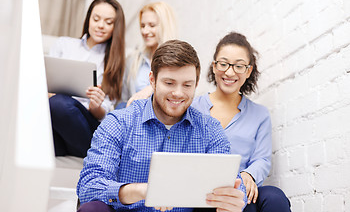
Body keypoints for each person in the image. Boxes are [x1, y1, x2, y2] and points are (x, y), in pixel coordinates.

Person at [77, 40, 247, 212]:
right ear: (152, 80)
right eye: (169, 83)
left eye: (187, 85)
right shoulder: (119, 123)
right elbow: (89, 186)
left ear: (196, 84)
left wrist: (232, 200)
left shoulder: (210, 129)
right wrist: (142, 190)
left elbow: (235, 185)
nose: (178, 93)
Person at [192, 32, 291, 212]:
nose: (229, 72)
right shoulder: (193, 108)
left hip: (242, 187)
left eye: (239, 66)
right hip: (204, 191)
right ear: (214, 66)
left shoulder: (259, 114)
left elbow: (261, 159)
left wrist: (249, 174)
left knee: (275, 197)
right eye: (223, 64)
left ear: (248, 71)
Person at [49, 0, 126, 158]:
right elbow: (44, 82)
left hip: (86, 126)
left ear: (116, 27)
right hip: (56, 119)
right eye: (96, 19)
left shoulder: (115, 62)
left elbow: (102, 112)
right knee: (53, 106)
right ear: (88, 18)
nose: (100, 26)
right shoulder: (64, 44)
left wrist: (95, 105)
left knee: (60, 104)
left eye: (108, 22)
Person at [120, 1, 177, 107]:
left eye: (152, 25)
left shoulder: (180, 61)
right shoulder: (132, 60)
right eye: (142, 26)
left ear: (165, 26)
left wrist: (152, 88)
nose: (145, 31)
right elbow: (124, 100)